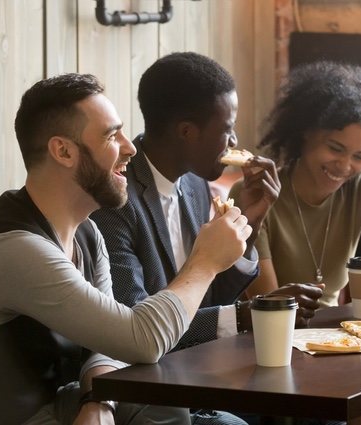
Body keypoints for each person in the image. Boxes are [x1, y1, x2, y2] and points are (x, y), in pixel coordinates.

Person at [0, 73, 251, 424]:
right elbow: (140, 339)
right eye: (112, 135)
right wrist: (205, 262)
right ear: (63, 151)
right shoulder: (16, 250)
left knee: (188, 410)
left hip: (61, 405)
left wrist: (99, 401)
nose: (129, 148)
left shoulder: (87, 232)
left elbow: (105, 343)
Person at [89, 52, 324, 424]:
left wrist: (249, 223)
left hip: (202, 372)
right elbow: (135, 328)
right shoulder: (117, 200)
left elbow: (210, 296)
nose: (234, 140)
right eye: (226, 128)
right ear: (186, 131)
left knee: (317, 403)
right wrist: (246, 316)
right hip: (154, 389)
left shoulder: (198, 185)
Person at [240, 61, 361, 309]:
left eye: (359, 157)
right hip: (271, 336)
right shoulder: (256, 194)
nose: (345, 166)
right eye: (335, 149)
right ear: (306, 132)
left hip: (337, 337)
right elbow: (269, 307)